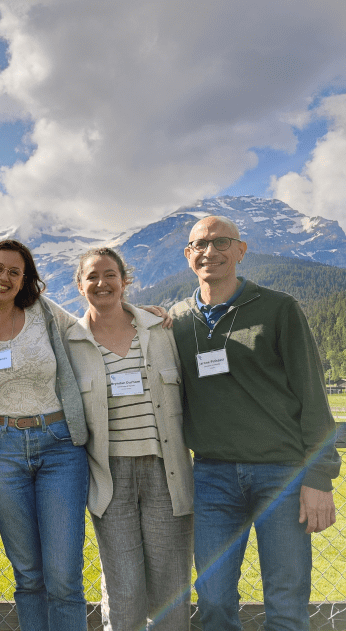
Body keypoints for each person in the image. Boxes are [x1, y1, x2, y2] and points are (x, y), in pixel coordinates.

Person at [168, 215, 341, 631]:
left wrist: (320, 476)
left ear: (241, 251)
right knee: (212, 601)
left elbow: (313, 397)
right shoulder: (176, 320)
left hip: (281, 474)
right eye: (200, 245)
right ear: (189, 256)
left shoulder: (279, 308)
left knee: (285, 599)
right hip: (210, 478)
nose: (211, 252)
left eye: (222, 242)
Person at [0, 239, 90, 631]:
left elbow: (91, 328)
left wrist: (138, 315)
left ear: (25, 280)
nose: (5, 277)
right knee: (29, 575)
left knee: (63, 576)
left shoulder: (42, 312)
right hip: (1, 450)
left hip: (59, 447)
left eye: (15, 272)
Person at [66, 247, 193, 631]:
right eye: (92, 276)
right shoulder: (70, 342)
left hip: (165, 471)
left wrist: (160, 312)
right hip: (109, 476)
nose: (101, 283)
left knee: (171, 584)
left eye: (110, 274)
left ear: (125, 280)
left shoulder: (160, 330)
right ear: (80, 285)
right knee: (123, 587)